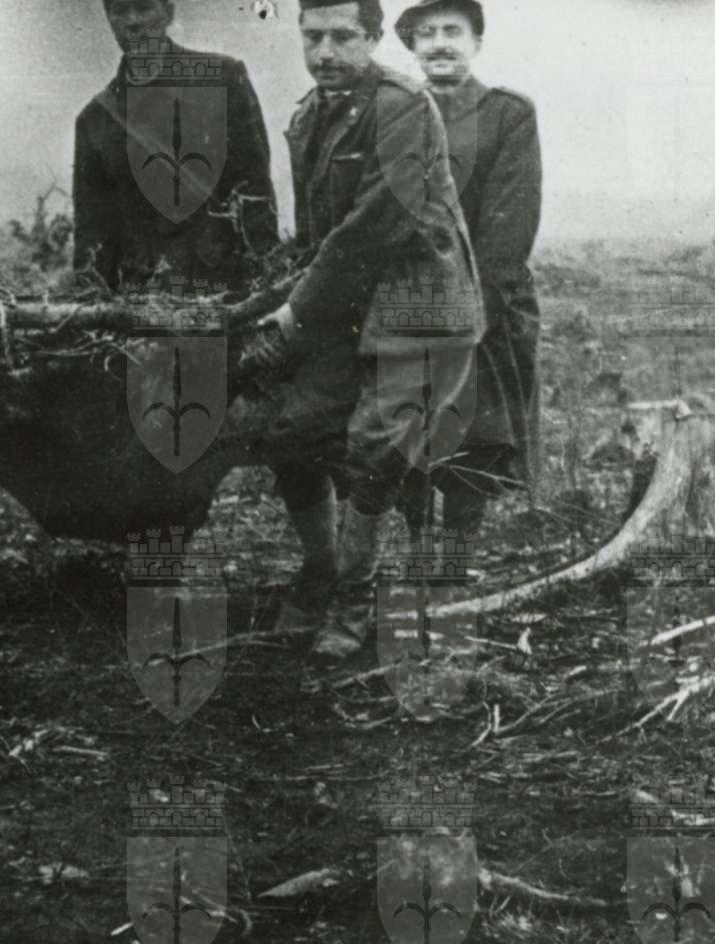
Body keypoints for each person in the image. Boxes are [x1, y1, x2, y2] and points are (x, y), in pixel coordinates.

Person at [236, 0, 483, 661]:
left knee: (374, 448)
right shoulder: (307, 116)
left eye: (343, 37)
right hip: (347, 307)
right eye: (312, 36)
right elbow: (318, 237)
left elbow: (374, 225)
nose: (325, 52)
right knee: (291, 431)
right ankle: (322, 570)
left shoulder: (402, 106)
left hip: (418, 307)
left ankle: (352, 601)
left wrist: (295, 312)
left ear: (373, 38)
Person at [395, 0, 541, 536]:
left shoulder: (506, 114)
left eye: (453, 31)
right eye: (426, 33)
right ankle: (415, 556)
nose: (439, 44)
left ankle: (454, 565)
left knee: (472, 448)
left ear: (475, 42)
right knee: (403, 441)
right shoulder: (391, 113)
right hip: (404, 304)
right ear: (412, 46)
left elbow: (510, 225)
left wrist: (472, 313)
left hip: (484, 304)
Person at [72, 0, 278, 293]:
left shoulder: (222, 78)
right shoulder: (96, 120)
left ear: (168, 13)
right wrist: (94, 303)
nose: (133, 22)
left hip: (225, 288)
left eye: (144, 8)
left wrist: (264, 285)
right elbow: (91, 237)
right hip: (143, 297)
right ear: (108, 18)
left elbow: (256, 194)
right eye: (120, 10)